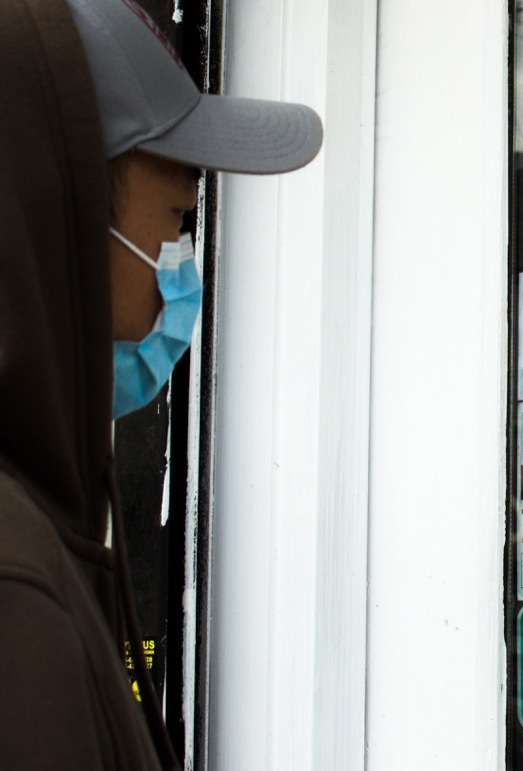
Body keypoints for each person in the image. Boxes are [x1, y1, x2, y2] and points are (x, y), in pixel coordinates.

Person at [0, 0, 322, 767]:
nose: (180, 260)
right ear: (61, 212)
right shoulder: (16, 590)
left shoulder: (43, 521)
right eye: (179, 216)